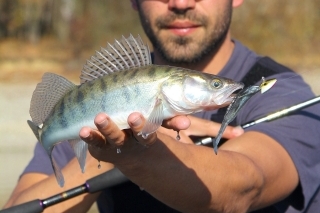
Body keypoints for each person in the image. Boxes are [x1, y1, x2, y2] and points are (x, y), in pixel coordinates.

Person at [4, 0, 320, 212]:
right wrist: (113, 149)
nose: (181, 2)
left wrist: (154, 151)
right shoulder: (92, 100)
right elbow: (23, 203)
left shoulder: (280, 91)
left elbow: (246, 187)